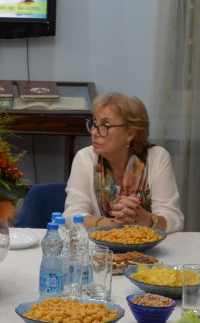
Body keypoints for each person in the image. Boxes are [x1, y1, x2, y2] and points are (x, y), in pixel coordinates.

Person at [63, 92, 183, 232]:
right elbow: (71, 215)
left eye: (105, 125)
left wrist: (147, 220)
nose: (94, 132)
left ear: (130, 134)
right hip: (98, 244)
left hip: (146, 244)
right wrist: (112, 224)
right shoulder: (85, 158)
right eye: (94, 123)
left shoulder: (157, 157)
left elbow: (174, 218)